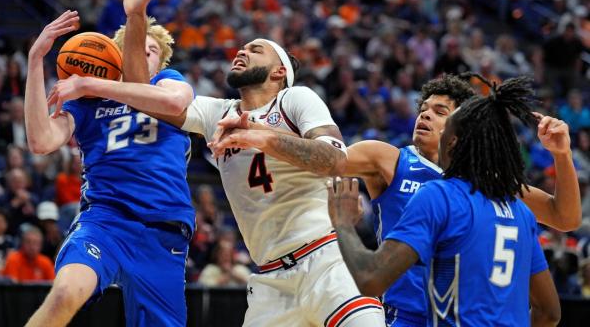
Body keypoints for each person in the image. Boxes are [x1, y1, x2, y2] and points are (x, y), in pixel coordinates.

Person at [54, 18, 386, 323]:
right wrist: (136, 14)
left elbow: (334, 159)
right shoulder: (217, 112)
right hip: (270, 280)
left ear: (279, 72)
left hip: (327, 257)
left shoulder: (294, 100)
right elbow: (145, 98)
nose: (243, 50)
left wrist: (259, 135)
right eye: (242, 47)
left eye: (256, 50)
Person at [23, 0, 195, 327]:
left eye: (153, 51)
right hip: (106, 220)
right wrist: (36, 59)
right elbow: (40, 141)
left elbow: (174, 102)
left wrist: (136, 16)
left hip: (163, 228)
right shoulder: (89, 105)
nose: (146, 55)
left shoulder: (169, 81)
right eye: (139, 47)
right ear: (114, 58)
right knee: (65, 294)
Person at [341, 74, 580, 325]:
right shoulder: (393, 160)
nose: (425, 115)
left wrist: (562, 154)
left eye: (440, 111)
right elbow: (327, 161)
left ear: (460, 128)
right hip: (407, 315)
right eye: (423, 109)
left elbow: (565, 217)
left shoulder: (489, 186)